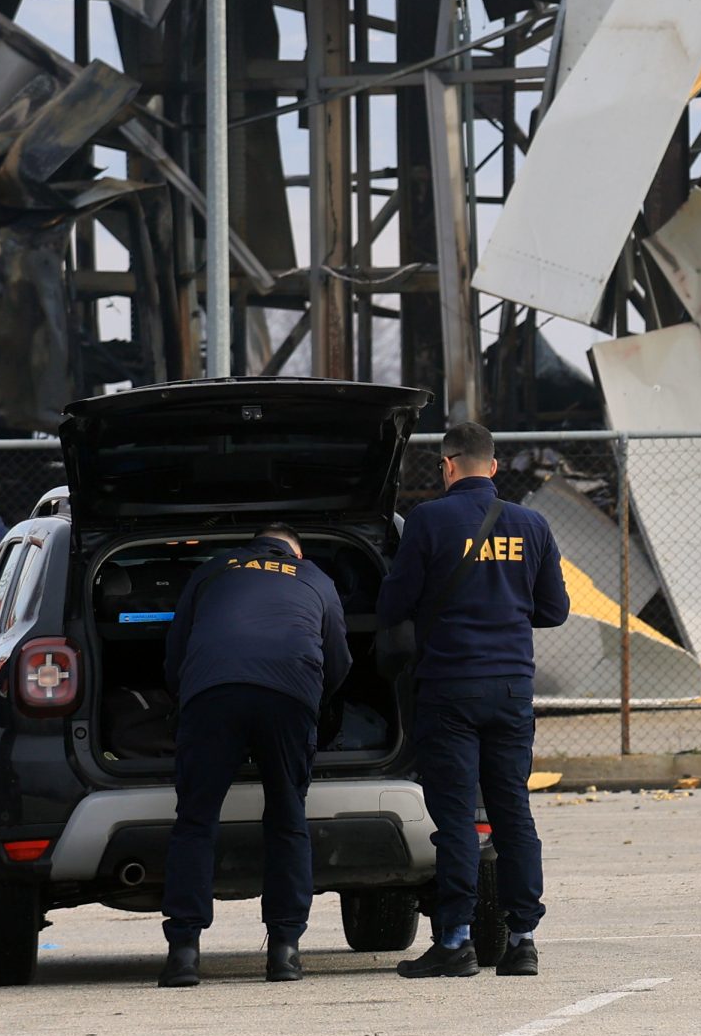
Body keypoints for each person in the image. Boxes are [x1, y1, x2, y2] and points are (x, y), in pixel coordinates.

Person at [376, 423, 569, 979]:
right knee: (512, 812)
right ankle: (523, 940)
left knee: (457, 817)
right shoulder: (533, 525)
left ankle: (456, 941)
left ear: (448, 465)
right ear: (494, 465)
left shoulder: (429, 521)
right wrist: (503, 606)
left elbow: (394, 604)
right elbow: (553, 610)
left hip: (449, 690)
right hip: (511, 689)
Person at [156, 524, 349, 989]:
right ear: (293, 550)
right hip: (289, 694)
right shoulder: (314, 577)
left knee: (196, 819)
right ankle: (284, 950)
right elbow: (339, 660)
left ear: (253, 545)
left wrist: (186, 704)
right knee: (286, 816)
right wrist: (319, 709)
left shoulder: (212, 570)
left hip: (212, 693)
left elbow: (174, 653)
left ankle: (183, 952)